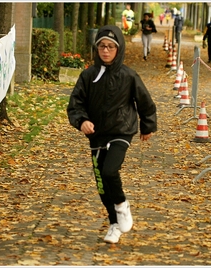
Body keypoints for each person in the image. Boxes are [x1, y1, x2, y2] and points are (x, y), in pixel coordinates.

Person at [66, 25, 158, 244]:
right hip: (97, 136)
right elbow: (75, 104)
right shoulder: (88, 75)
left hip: (121, 131)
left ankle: (121, 205)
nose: (105, 51)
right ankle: (114, 224)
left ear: (119, 49)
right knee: (102, 186)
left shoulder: (128, 76)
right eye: (101, 46)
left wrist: (147, 126)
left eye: (110, 47)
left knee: (110, 171)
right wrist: (82, 122)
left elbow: (145, 102)